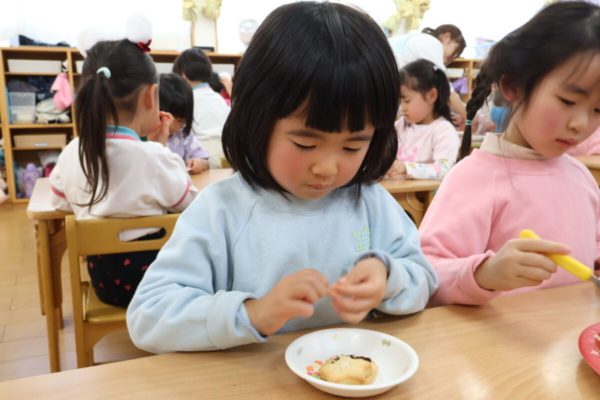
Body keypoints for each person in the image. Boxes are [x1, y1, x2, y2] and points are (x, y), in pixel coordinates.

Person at [127, 1, 438, 353]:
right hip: (251, 377)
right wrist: (251, 313)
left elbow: (425, 280)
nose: (327, 167)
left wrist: (388, 279)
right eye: (305, 143)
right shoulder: (220, 210)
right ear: (257, 120)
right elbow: (148, 315)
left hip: (353, 370)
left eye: (353, 146)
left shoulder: (370, 202)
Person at [419, 1, 600, 307]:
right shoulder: (472, 178)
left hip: (571, 334)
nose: (580, 124)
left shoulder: (581, 176)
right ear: (514, 85)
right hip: (492, 337)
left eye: (598, 110)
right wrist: (484, 274)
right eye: (568, 100)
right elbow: (425, 274)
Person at [49, 34, 198, 307]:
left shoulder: (72, 151)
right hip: (154, 283)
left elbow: (59, 201)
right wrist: (162, 150)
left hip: (103, 283)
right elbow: (188, 202)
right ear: (151, 96)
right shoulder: (154, 157)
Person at [386, 59, 459, 180]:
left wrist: (406, 168)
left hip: (427, 191)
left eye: (407, 101)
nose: (402, 108)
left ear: (431, 96)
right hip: (400, 189)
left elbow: (444, 170)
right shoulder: (400, 125)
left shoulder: (444, 131)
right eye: (399, 102)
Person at [389, 24, 467, 121]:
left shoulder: (417, 40)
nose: (451, 58)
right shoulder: (432, 43)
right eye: (455, 52)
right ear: (446, 37)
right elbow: (444, 87)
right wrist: (467, 116)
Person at [173, 48, 230, 169]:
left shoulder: (187, 100)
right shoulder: (219, 99)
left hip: (201, 155)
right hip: (227, 155)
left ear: (183, 75)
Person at [159, 73, 210, 174]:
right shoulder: (146, 136)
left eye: (180, 120)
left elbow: (205, 161)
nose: (172, 126)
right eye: (166, 118)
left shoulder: (183, 134)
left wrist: (199, 162)